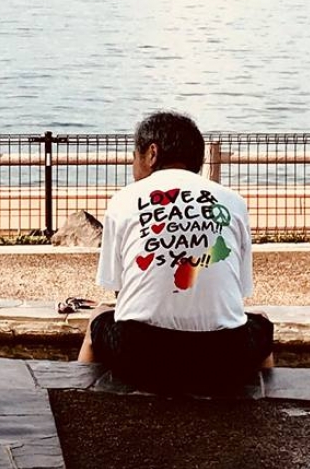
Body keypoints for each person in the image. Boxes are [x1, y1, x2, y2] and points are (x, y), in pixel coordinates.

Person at [78, 111, 274, 394]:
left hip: (141, 356)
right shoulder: (234, 202)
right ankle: (266, 403)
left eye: (134, 156)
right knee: (262, 321)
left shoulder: (123, 200)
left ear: (152, 153)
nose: (133, 166)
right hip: (224, 356)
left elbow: (121, 295)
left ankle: (79, 396)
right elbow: (239, 294)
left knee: (98, 316)